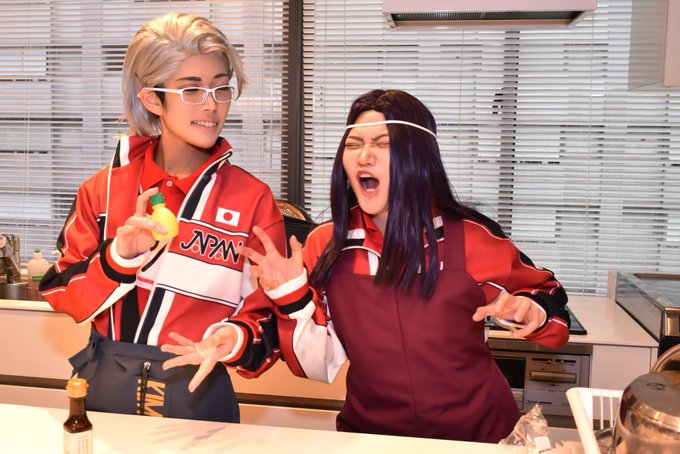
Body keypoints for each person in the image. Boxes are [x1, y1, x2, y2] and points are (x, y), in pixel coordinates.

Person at [164, 89, 570, 441]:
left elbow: (546, 292)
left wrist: (530, 310)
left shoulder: (472, 237)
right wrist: (231, 337)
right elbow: (271, 324)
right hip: (371, 437)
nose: (364, 155)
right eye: (353, 144)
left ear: (418, 157)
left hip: (477, 438)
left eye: (382, 143)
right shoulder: (327, 244)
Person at [39, 12, 286, 423]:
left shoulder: (252, 199)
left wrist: (235, 336)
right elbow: (60, 290)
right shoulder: (104, 189)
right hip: (104, 390)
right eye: (192, 90)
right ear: (152, 99)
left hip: (199, 394)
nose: (212, 105)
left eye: (221, 87)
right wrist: (119, 256)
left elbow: (268, 317)